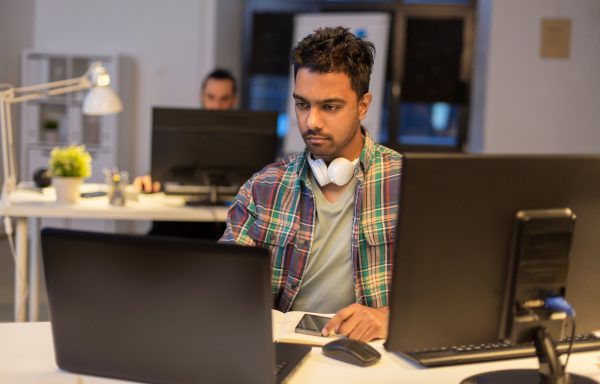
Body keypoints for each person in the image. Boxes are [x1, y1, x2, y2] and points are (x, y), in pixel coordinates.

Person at [219, 27, 402, 342]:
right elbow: (222, 287)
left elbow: (452, 289)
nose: (311, 121)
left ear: (363, 105)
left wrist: (390, 318)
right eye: (302, 104)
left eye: (329, 107)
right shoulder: (264, 187)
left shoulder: (405, 184)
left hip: (375, 355)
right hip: (285, 349)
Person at [133, 68, 238, 193]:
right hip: (188, 205)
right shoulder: (183, 131)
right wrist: (150, 179)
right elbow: (165, 170)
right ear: (202, 97)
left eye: (224, 99)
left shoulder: (245, 140)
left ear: (234, 100)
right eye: (211, 97)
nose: (216, 106)